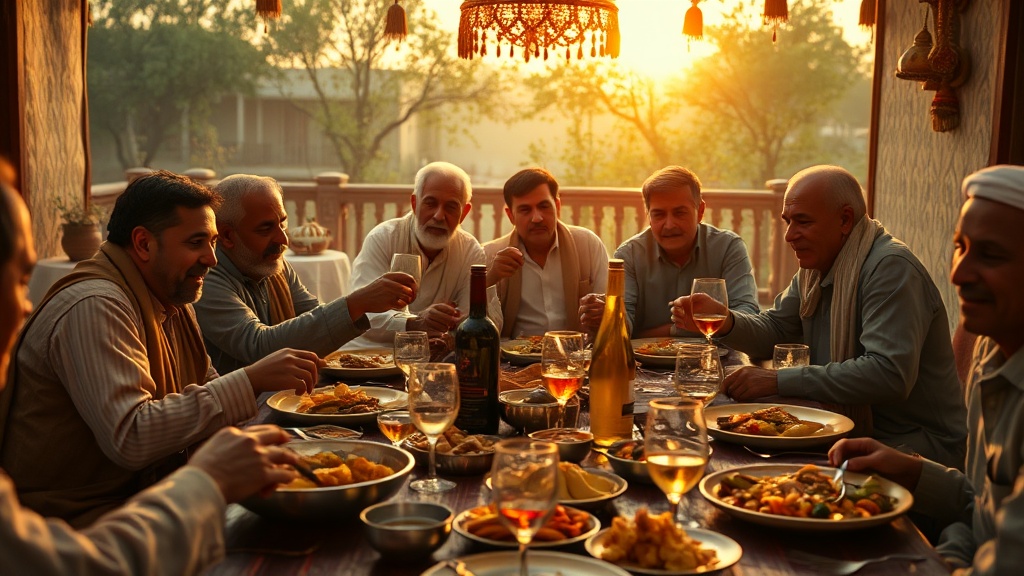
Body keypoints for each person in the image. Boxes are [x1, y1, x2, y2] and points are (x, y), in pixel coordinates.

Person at [0, 171, 301, 574]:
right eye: (196, 243)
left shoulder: (170, 296)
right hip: (77, 530)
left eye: (212, 242)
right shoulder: (96, 304)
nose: (212, 260)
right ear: (142, 243)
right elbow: (132, 436)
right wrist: (251, 379)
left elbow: (207, 388)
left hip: (142, 503)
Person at [672, 165, 967, 469]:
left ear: (844, 219)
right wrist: (726, 320)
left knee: (751, 472)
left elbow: (887, 374)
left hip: (912, 446)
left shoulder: (890, 269)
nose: (789, 235)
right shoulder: (816, 268)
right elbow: (775, 327)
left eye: (803, 222)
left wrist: (777, 380)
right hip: (842, 426)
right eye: (787, 221)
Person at [830, 165, 1024, 574]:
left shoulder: (890, 267)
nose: (958, 273)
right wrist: (910, 469)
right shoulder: (993, 350)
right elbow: (981, 509)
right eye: (961, 246)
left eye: (990, 254)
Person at [193, 174, 418, 374]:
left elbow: (313, 314)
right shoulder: (207, 277)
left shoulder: (271, 264)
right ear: (227, 236)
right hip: (242, 413)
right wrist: (357, 302)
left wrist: (375, 310)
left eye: (282, 223)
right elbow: (259, 346)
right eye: (265, 228)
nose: (283, 239)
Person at [579, 166, 759, 337]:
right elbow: (625, 327)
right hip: (645, 366)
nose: (669, 225)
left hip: (716, 361)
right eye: (658, 214)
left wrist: (671, 330)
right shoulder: (629, 255)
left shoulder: (727, 247)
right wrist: (607, 316)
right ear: (648, 216)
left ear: (701, 211)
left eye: (679, 213)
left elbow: (749, 317)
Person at [349, 161, 501, 344]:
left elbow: (483, 325)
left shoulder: (470, 251)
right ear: (414, 203)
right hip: (374, 356)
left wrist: (449, 340)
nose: (439, 216)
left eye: (451, 207)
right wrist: (415, 324)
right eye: (431, 203)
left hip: (437, 361)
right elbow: (361, 314)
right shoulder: (383, 239)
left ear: (464, 213)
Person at [482, 168, 608, 337]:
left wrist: (603, 312)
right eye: (525, 210)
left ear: (557, 206)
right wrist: (491, 277)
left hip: (577, 356)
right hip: (514, 360)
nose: (537, 218)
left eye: (544, 206)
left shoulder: (587, 245)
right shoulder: (491, 255)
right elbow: (477, 324)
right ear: (510, 215)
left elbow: (612, 308)